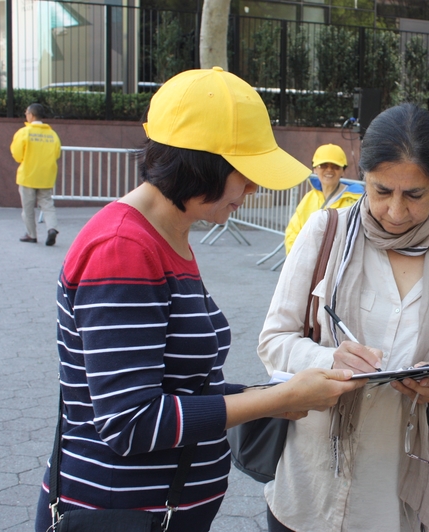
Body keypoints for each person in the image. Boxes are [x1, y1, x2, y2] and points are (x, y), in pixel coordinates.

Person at [34, 68, 366, 532]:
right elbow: (131, 422)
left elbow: (182, 388)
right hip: (122, 511)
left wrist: (269, 396)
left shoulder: (167, 235)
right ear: (199, 165)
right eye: (245, 174)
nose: (252, 190)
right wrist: (276, 398)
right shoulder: (123, 248)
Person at [258, 103, 429, 531]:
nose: (395, 211)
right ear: (363, 175)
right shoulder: (326, 232)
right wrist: (328, 361)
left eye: (415, 195)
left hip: (399, 502)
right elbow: (274, 341)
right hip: (310, 489)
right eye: (381, 191)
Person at [284, 144, 363, 254]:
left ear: (343, 171)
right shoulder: (309, 198)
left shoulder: (357, 201)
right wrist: (298, 257)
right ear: (315, 169)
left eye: (335, 166)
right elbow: (293, 232)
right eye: (323, 165)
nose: (329, 170)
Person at [11, 103, 61, 246]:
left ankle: (31, 235)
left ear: (31, 115)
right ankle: (52, 228)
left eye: (26, 113)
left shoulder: (24, 132)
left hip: (27, 175)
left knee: (28, 208)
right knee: (47, 204)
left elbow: (17, 154)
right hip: (46, 176)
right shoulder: (52, 134)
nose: (26, 115)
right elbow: (56, 154)